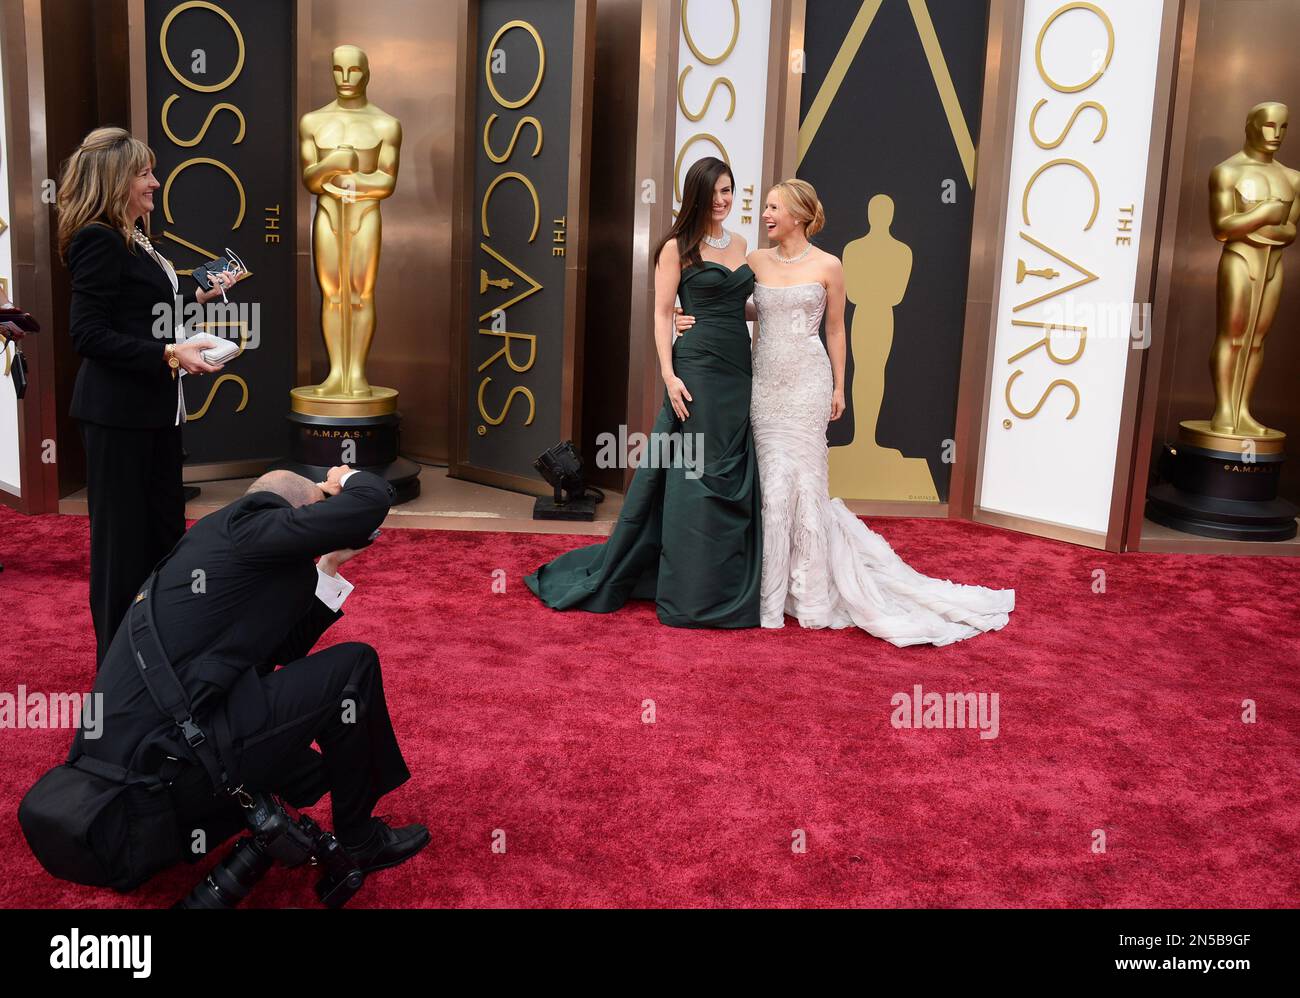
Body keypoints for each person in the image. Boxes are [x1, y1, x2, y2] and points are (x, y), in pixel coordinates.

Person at [677, 179, 1014, 646]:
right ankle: (770, 597)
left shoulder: (830, 265)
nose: (766, 215)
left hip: (809, 382)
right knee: (773, 490)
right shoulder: (754, 261)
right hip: (766, 386)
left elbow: (836, 330)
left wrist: (840, 385)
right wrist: (682, 314)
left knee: (808, 485)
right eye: (766, 207)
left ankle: (812, 595)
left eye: (774, 208)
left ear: (799, 213)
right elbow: (732, 308)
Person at [69, 464, 429, 874]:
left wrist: (327, 566)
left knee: (312, 687)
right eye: (311, 521)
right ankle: (359, 840)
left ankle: (310, 781)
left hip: (150, 756)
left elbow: (280, 652)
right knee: (354, 666)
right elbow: (370, 501)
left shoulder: (216, 542)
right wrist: (344, 477)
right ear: (293, 512)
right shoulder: (254, 524)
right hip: (164, 772)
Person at [524, 156, 762, 627]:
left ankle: (725, 577)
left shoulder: (741, 244)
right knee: (697, 470)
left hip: (738, 368)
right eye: (715, 191)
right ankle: (691, 587)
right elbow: (659, 314)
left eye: (729, 190)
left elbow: (743, 306)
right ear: (696, 193)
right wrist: (669, 376)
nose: (724, 200)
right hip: (695, 367)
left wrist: (784, 308)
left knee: (729, 467)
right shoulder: (675, 247)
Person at [58, 126, 240, 667]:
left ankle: (156, 656)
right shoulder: (99, 238)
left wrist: (195, 293)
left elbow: (136, 307)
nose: (155, 183)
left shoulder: (132, 238)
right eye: (144, 173)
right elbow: (86, 334)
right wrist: (168, 355)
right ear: (116, 181)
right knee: (121, 549)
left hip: (154, 415)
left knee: (161, 538)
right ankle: (116, 672)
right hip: (118, 417)